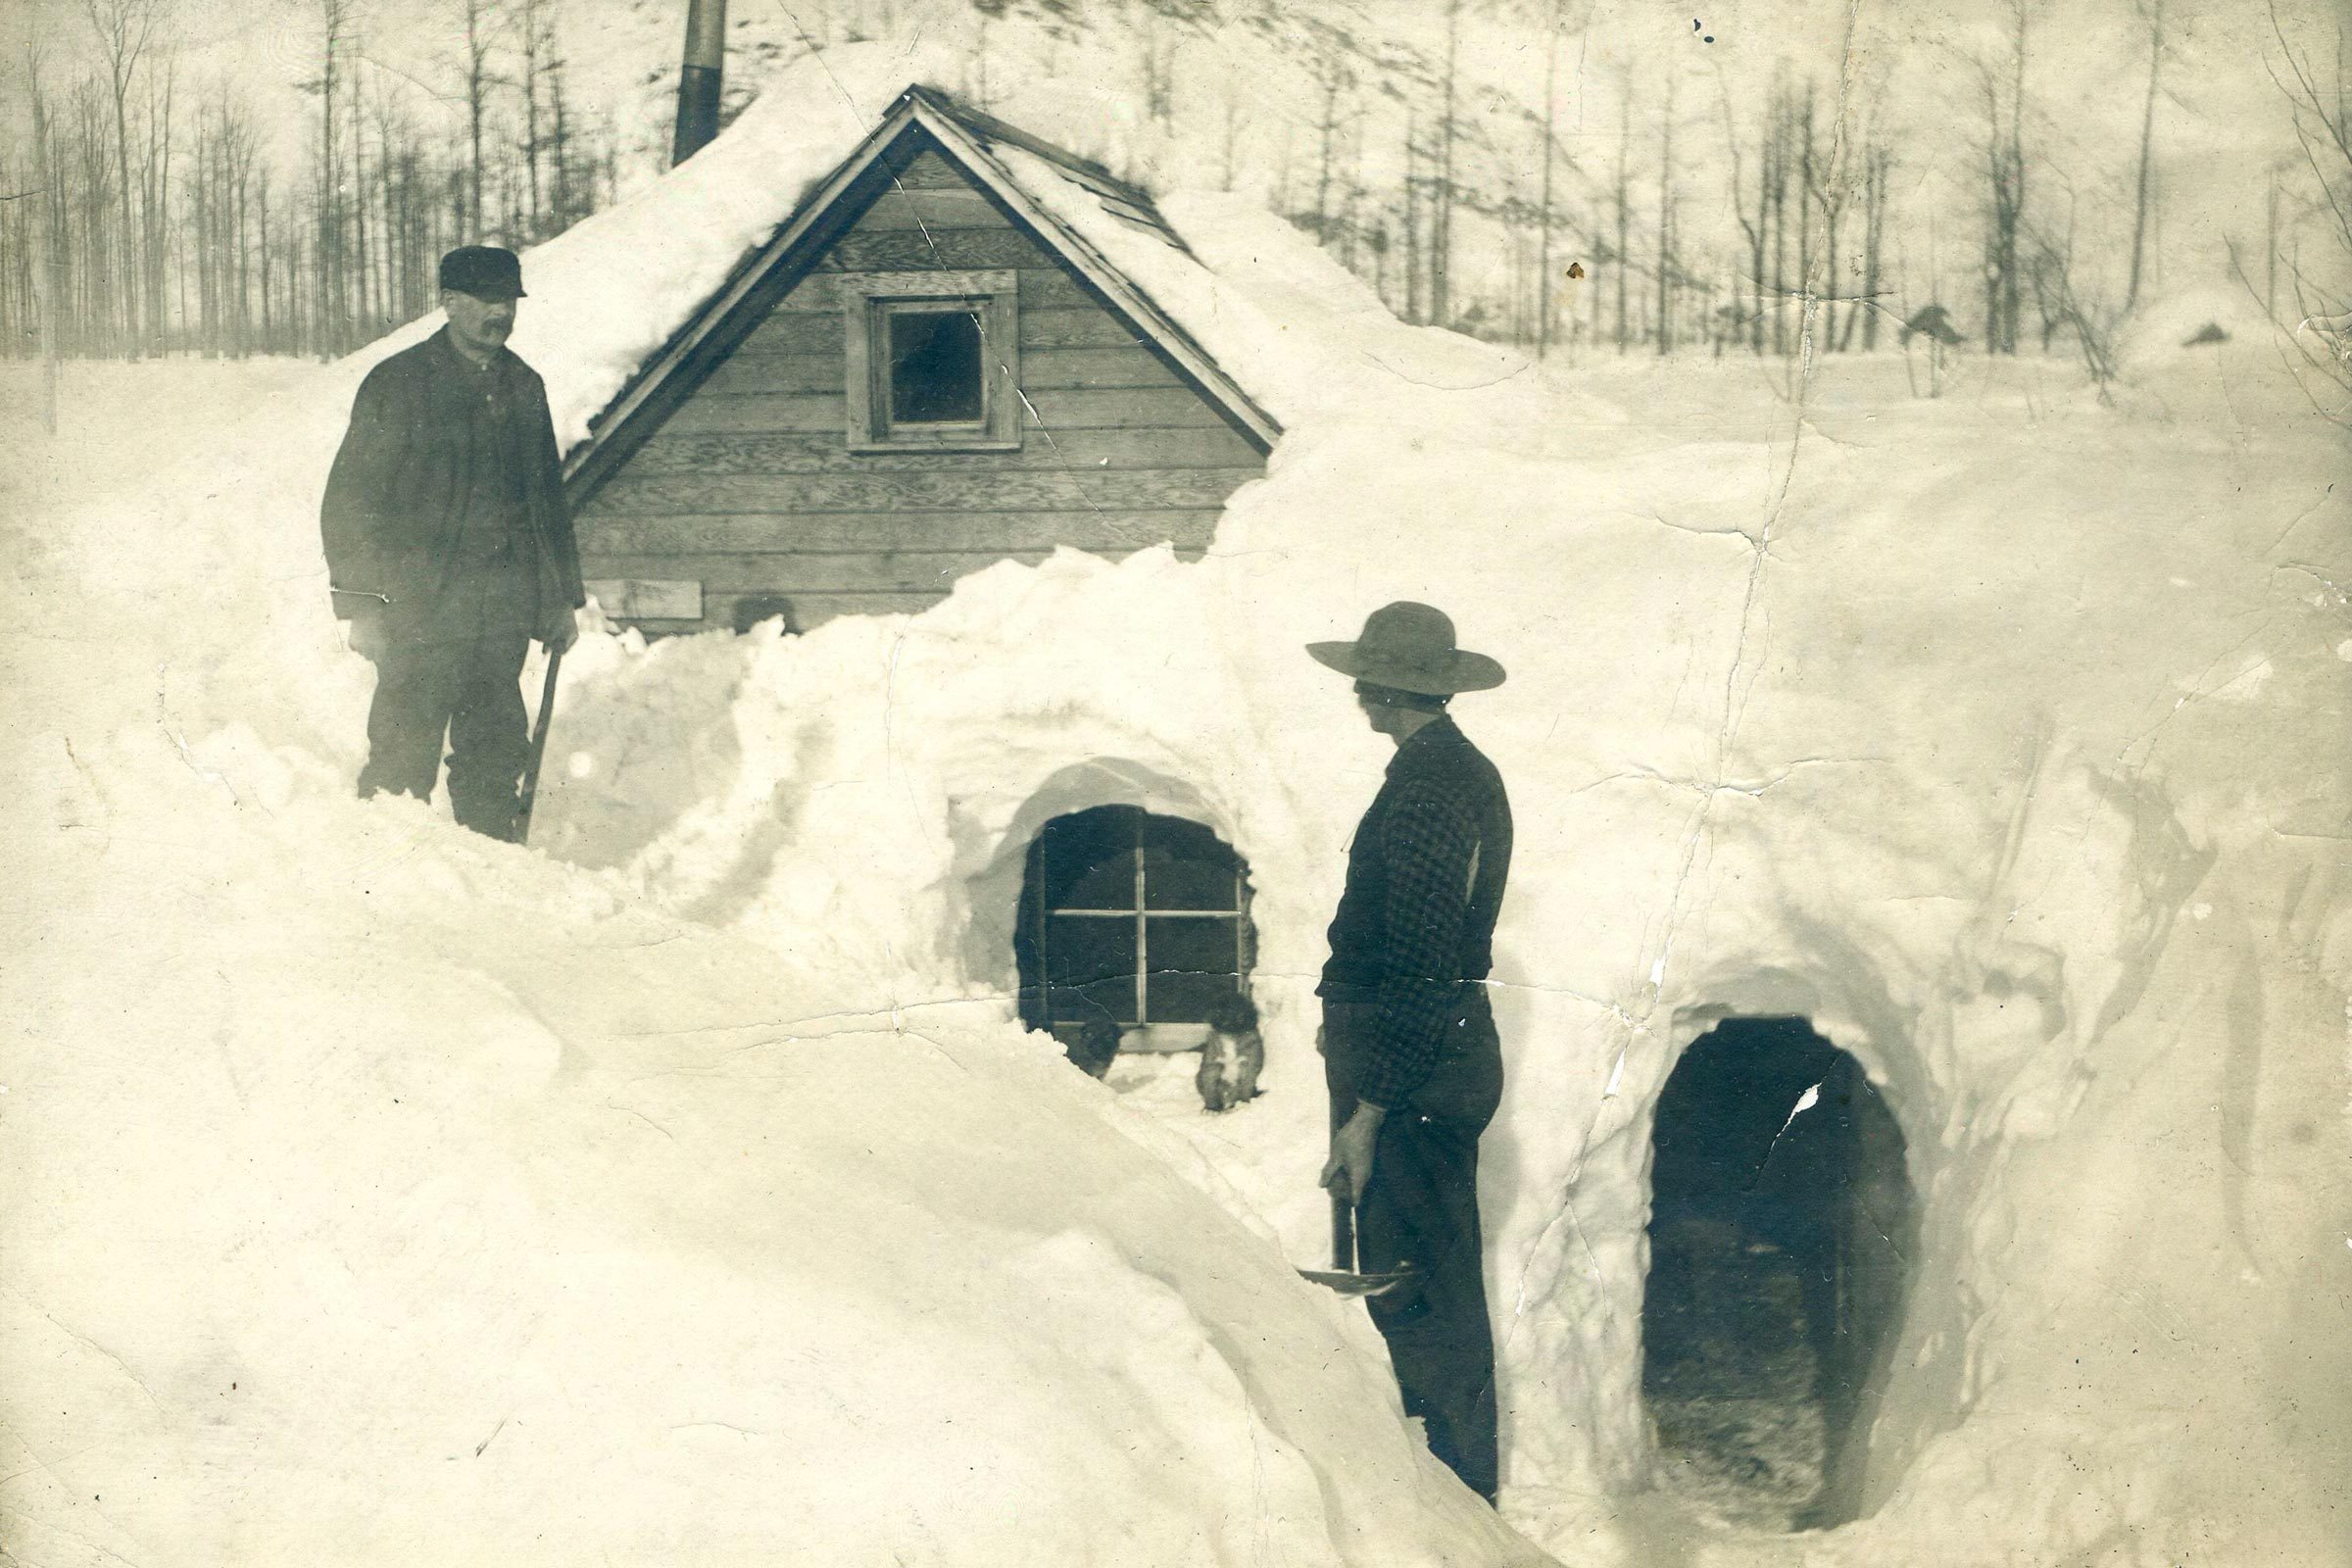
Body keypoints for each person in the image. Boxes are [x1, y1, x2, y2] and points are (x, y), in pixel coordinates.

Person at [1307, 600, 1512, 1505]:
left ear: (1382, 689)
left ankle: (1459, 1507)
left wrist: (1369, 1111)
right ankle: (1440, 1495)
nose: (1355, 696)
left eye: (1364, 681)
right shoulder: (1444, 770)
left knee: (1420, 1295)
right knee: (1411, 1281)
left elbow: (1426, 965)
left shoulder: (1430, 788)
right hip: (1411, 1050)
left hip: (1416, 1064)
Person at [320, 244, 585, 841]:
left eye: (509, 302)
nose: (502, 315)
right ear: (449, 303)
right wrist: (362, 605)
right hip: (420, 612)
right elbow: (350, 501)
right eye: (488, 301)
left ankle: (490, 885)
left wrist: (560, 598)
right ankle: (386, 882)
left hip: (500, 614)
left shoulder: (524, 386)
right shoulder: (400, 383)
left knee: (494, 758)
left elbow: (545, 503)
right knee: (401, 759)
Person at [1195, 991, 1265, 1112]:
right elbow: (1208, 1074)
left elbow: (1250, 1076)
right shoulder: (1214, 1038)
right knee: (1208, 1073)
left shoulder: (1252, 1040)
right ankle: (1218, 1102)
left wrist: (1243, 1102)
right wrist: (1212, 1105)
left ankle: (1241, 1101)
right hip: (1219, 1090)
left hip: (1241, 1090)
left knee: (1248, 1073)